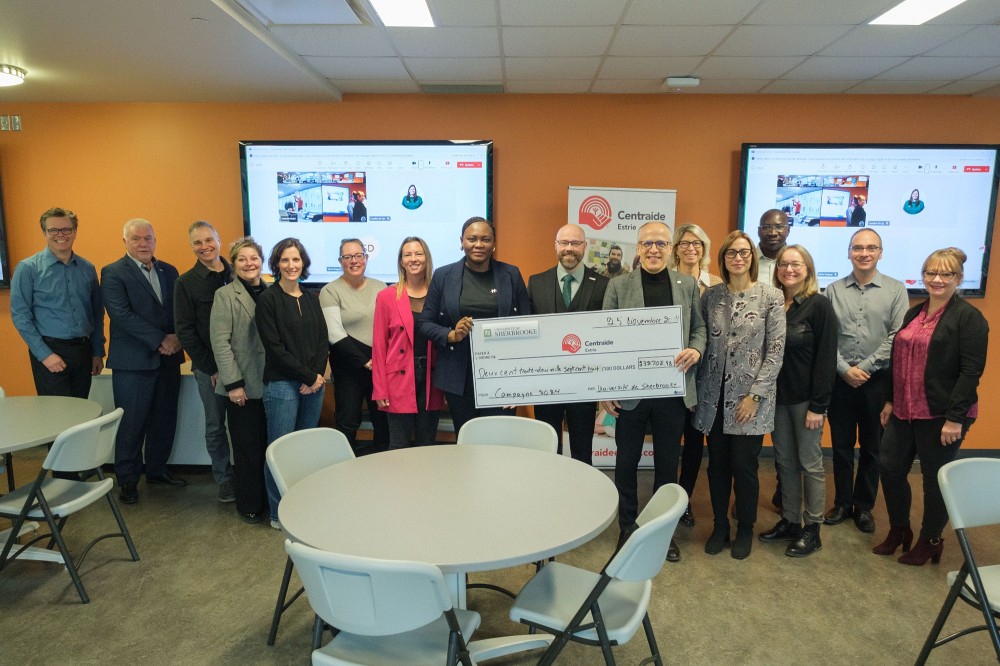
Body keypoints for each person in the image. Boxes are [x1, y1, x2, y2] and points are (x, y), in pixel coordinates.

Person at [600, 221, 706, 563]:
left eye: (661, 243)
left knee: (666, 467)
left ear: (670, 249)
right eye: (647, 243)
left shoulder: (686, 285)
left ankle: (662, 532)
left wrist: (696, 349)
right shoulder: (619, 285)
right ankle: (627, 527)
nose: (654, 249)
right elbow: (604, 338)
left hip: (672, 394)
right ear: (638, 248)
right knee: (626, 463)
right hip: (630, 393)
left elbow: (699, 329)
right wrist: (606, 388)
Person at [875, 248, 988, 566]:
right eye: (930, 273)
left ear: (959, 278)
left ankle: (931, 541)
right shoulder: (914, 313)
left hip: (941, 414)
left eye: (946, 274)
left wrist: (955, 419)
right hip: (904, 409)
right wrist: (890, 400)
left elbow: (971, 372)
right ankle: (900, 530)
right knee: (890, 467)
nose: (937, 279)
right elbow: (898, 360)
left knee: (933, 478)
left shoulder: (970, 319)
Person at [694, 230, 785, 560]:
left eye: (744, 252)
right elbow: (701, 340)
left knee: (744, 468)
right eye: (731, 252)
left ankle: (745, 527)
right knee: (717, 466)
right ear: (723, 258)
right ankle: (720, 526)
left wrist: (755, 396)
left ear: (752, 257)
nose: (738, 258)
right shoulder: (711, 296)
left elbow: (775, 351)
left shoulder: (770, 296)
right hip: (713, 399)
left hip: (749, 401)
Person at [824, 229, 907, 534]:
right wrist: (844, 369)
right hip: (840, 380)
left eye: (871, 248)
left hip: (877, 381)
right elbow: (826, 336)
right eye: (857, 248)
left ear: (880, 253)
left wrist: (865, 367)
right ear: (849, 252)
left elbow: (897, 336)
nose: (864, 253)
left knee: (872, 447)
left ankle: (864, 507)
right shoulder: (832, 290)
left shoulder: (896, 290)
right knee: (841, 447)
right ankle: (843, 503)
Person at [417, 216, 531, 436]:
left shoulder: (511, 274)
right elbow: (425, 323)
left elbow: (527, 324)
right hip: (458, 376)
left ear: (494, 243)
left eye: (485, 239)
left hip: (503, 374)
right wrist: (451, 334)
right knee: (467, 438)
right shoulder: (443, 275)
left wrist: (519, 382)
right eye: (472, 239)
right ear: (462, 242)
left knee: (499, 438)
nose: (479, 244)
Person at [758, 245, 838, 557]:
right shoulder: (775, 303)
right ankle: (790, 521)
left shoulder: (819, 305)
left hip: (806, 402)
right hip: (777, 399)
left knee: (810, 464)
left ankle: (812, 528)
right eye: (783, 265)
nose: (789, 269)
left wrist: (819, 406)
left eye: (796, 264)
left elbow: (826, 358)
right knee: (785, 463)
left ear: (808, 269)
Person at [101, 219, 185, 504]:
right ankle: (127, 480)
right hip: (133, 363)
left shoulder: (169, 270)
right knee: (132, 424)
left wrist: (177, 337)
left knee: (164, 419)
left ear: (154, 240)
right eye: (136, 238)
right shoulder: (113, 272)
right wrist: (161, 339)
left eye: (148, 238)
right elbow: (122, 315)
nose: (143, 243)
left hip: (168, 360)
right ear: (125, 242)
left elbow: (178, 309)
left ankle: (157, 470)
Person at [255, 238, 328, 528]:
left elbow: (322, 340)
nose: (291, 265)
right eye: (285, 260)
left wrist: (317, 376)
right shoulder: (268, 300)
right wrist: (308, 377)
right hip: (282, 385)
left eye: (296, 259)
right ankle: (278, 513)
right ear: (276, 264)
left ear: (303, 263)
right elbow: (275, 349)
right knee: (280, 451)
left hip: (314, 385)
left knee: (304, 451)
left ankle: (302, 509)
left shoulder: (310, 297)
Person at [528, 224, 609, 465]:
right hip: (546, 384)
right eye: (564, 243)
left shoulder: (603, 285)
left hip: (585, 384)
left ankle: (581, 489)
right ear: (555, 246)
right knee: (548, 449)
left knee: (582, 452)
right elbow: (528, 335)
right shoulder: (536, 282)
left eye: (575, 243)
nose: (569, 248)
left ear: (585, 246)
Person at [11, 207, 105, 401]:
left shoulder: (87, 268)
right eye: (53, 230)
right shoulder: (28, 269)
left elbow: (97, 312)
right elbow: (20, 316)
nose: (60, 234)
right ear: (44, 233)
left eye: (66, 229)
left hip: (84, 351)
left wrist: (97, 352)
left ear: (75, 232)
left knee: (82, 410)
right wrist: (44, 355)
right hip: (50, 351)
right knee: (57, 412)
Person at [173, 221, 236, 504]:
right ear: (192, 247)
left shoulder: (239, 274)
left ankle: (249, 476)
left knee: (245, 425)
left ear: (219, 240)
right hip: (209, 369)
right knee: (215, 426)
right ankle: (225, 479)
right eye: (197, 243)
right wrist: (212, 367)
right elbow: (185, 330)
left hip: (244, 365)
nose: (205, 246)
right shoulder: (185, 283)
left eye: (209, 240)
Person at [210, 237, 269, 524]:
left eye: (254, 258)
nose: (249, 263)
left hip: (271, 382)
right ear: (234, 263)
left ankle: (269, 501)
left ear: (262, 261)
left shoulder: (270, 291)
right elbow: (220, 342)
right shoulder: (225, 295)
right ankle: (250, 504)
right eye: (242, 259)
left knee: (268, 446)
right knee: (247, 449)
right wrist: (233, 384)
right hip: (242, 386)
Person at [667, 223, 722, 527]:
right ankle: (665, 499)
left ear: (704, 249)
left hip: (707, 377)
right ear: (676, 249)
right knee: (668, 443)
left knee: (693, 443)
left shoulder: (717, 284)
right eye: (685, 243)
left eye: (697, 243)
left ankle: (684, 500)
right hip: (674, 374)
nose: (691, 248)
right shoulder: (666, 280)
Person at [372, 237, 444, 449]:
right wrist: (380, 389)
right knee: (398, 445)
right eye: (408, 255)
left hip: (432, 378)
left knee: (426, 444)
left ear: (426, 258)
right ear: (401, 261)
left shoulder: (439, 294)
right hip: (398, 379)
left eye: (418, 254)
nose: (414, 259)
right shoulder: (386, 296)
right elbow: (379, 346)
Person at [320, 239, 389, 455]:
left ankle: (385, 466)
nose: (354, 261)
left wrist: (381, 363)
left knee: (383, 420)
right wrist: (366, 362)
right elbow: (334, 333)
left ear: (366, 258)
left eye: (358, 256)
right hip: (348, 368)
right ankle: (345, 468)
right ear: (340, 261)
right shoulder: (330, 291)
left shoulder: (381, 287)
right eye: (347, 257)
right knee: (348, 421)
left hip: (380, 367)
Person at [756, 209, 790, 509]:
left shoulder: (794, 263)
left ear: (787, 230)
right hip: (750, 360)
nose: (773, 232)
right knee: (748, 434)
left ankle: (784, 493)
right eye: (767, 226)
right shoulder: (746, 260)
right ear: (758, 230)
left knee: (784, 436)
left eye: (778, 227)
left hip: (786, 359)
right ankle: (745, 495)